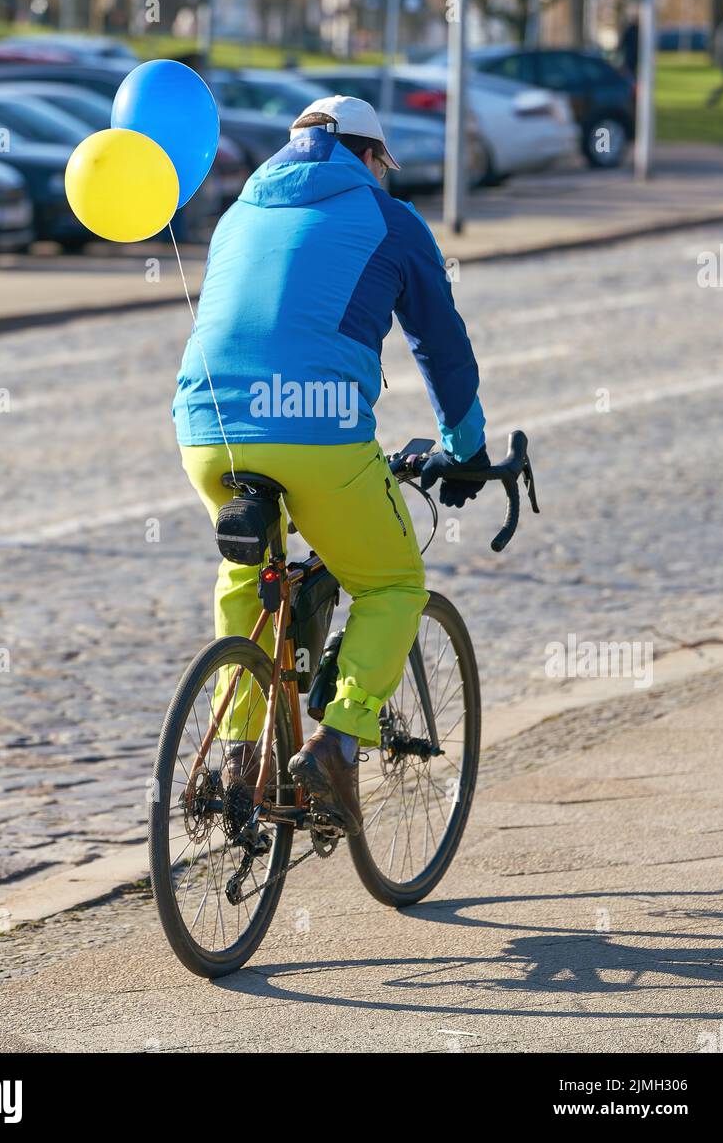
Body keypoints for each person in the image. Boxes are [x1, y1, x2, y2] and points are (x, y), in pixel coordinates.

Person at [172, 96, 488, 833]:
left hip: (204, 430)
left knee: (250, 576)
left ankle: (241, 756)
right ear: (368, 156)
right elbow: (440, 344)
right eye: (384, 165)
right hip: (314, 432)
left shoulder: (237, 212)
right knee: (390, 583)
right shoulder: (387, 218)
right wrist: (465, 450)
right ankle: (337, 742)